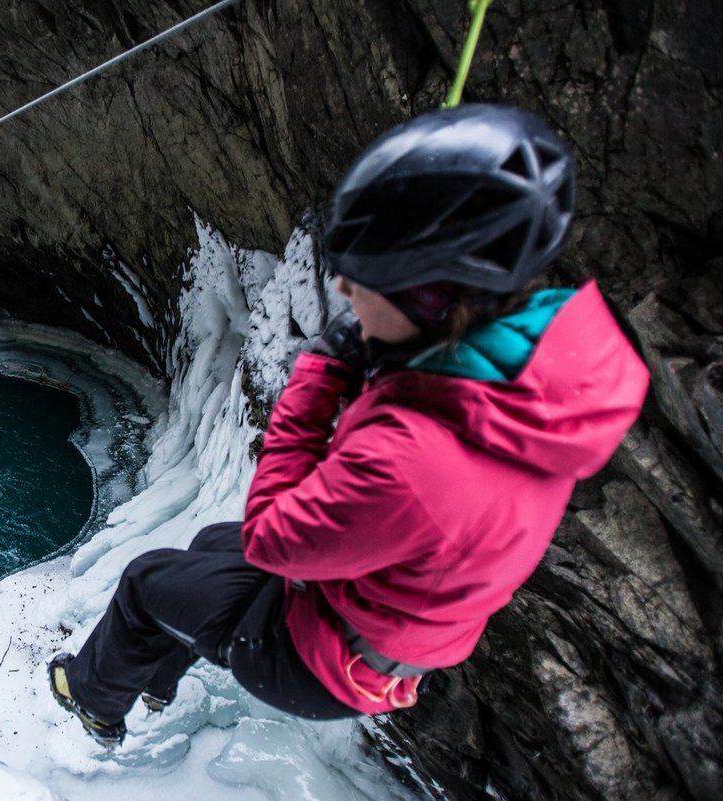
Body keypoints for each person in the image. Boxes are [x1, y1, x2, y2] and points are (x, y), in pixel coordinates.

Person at [47, 104, 650, 747]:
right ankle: (157, 674)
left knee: (146, 580)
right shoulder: (531, 375)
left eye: (363, 280)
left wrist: (320, 376)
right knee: (208, 545)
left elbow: (273, 540)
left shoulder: (417, 461)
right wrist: (392, 354)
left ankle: (94, 702)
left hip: (313, 661)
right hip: (376, 625)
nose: (341, 287)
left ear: (426, 298)